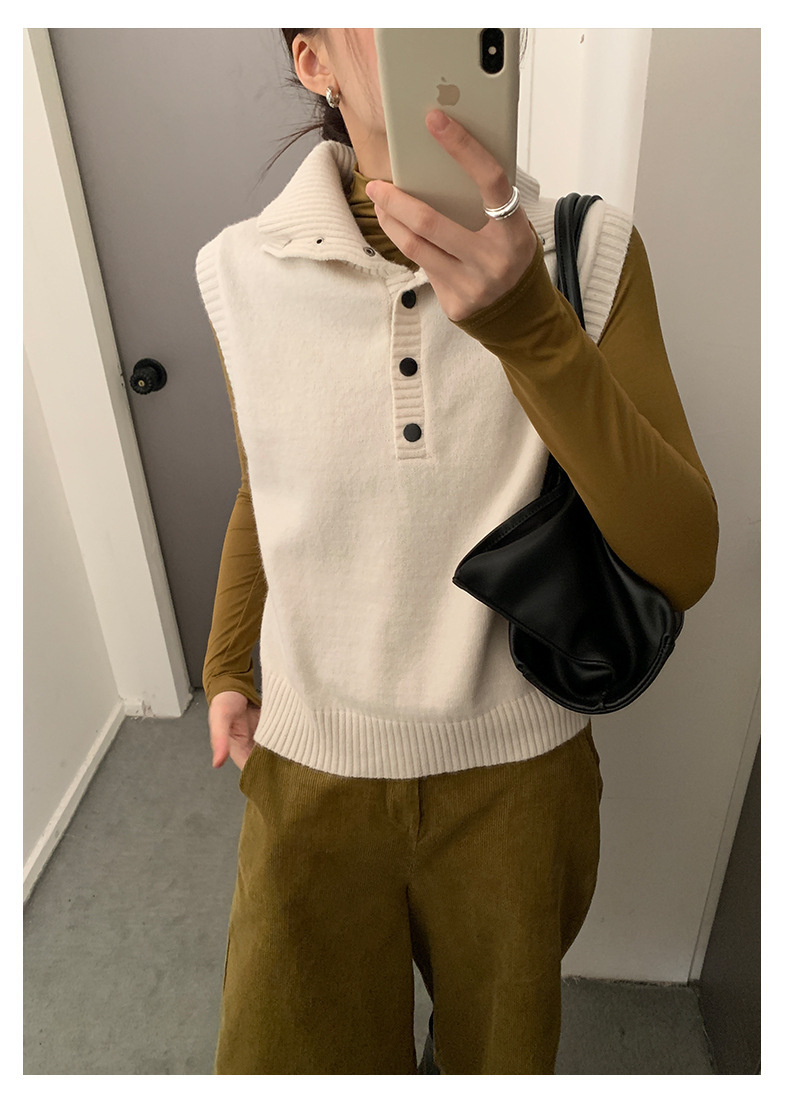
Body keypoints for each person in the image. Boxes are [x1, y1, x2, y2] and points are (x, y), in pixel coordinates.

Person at [195, 28, 718, 1075]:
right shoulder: (237, 270)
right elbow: (266, 483)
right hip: (311, 766)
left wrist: (530, 325)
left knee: (497, 1068)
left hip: (518, 779)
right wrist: (226, 664)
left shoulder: (589, 252)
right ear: (314, 62)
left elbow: (684, 559)